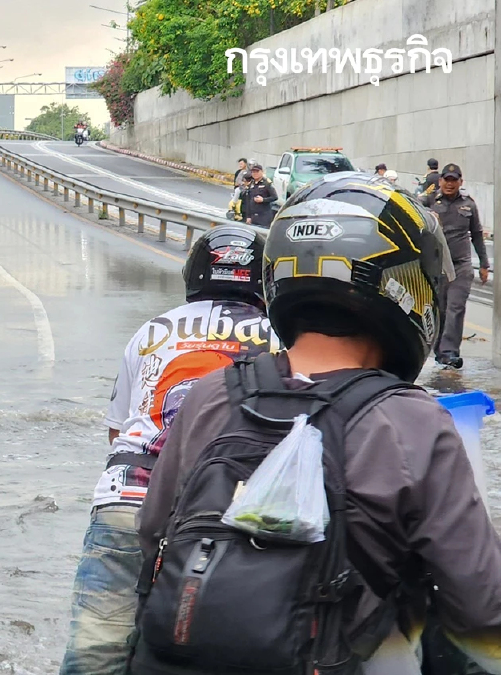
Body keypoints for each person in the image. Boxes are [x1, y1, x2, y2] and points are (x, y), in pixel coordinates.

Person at [131, 174, 501, 675]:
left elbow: (152, 533)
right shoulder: (412, 419)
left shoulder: (212, 393)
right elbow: (481, 606)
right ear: (409, 284)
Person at [60, 224, 278, 675]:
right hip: (231, 513)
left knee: (96, 649)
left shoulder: (153, 330)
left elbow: (118, 430)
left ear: (194, 274)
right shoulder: (281, 338)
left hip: (129, 497)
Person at [421, 163, 491, 368]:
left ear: (461, 182)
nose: (450, 184)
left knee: (456, 307)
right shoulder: (429, 200)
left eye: (454, 180)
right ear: (440, 181)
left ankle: (449, 352)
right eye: (446, 180)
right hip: (438, 267)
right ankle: (439, 350)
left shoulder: (469, 204)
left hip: (461, 265)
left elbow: (477, 234)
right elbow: (413, 214)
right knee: (440, 310)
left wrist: (484, 264)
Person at [240, 162, 277, 227]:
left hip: (263, 216)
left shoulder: (266, 183)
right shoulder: (251, 183)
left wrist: (263, 200)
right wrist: (248, 216)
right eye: (253, 172)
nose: (255, 173)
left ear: (262, 172)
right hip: (253, 216)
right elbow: (248, 201)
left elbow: (275, 197)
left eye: (257, 171)